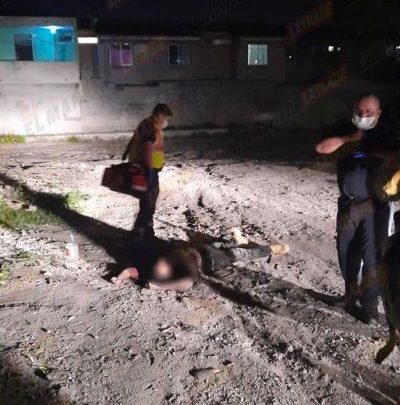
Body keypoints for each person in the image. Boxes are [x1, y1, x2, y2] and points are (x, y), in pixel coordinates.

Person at [316, 94, 398, 324]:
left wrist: (372, 150)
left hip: (376, 205)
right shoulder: (344, 129)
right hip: (348, 204)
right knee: (346, 252)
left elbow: (395, 157)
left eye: (369, 112)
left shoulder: (386, 134)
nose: (363, 116)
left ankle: (370, 308)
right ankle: (350, 297)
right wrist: (350, 138)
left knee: (373, 256)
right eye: (359, 111)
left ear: (378, 113)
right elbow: (322, 148)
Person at [111, 229, 289, 291]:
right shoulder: (181, 275)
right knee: (241, 254)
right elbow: (185, 284)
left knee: (219, 243)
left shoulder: (153, 262)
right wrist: (159, 287)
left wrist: (119, 277)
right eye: (161, 267)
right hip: (213, 260)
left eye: (160, 262)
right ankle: (270, 249)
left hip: (200, 248)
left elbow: (129, 271)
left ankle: (236, 240)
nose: (161, 263)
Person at [123, 103, 173, 240]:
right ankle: (138, 233)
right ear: (160, 114)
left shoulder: (146, 123)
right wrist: (150, 172)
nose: (166, 122)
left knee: (147, 200)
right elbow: (148, 149)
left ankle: (148, 230)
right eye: (166, 118)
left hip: (144, 167)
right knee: (149, 202)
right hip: (146, 169)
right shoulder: (151, 127)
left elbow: (139, 142)